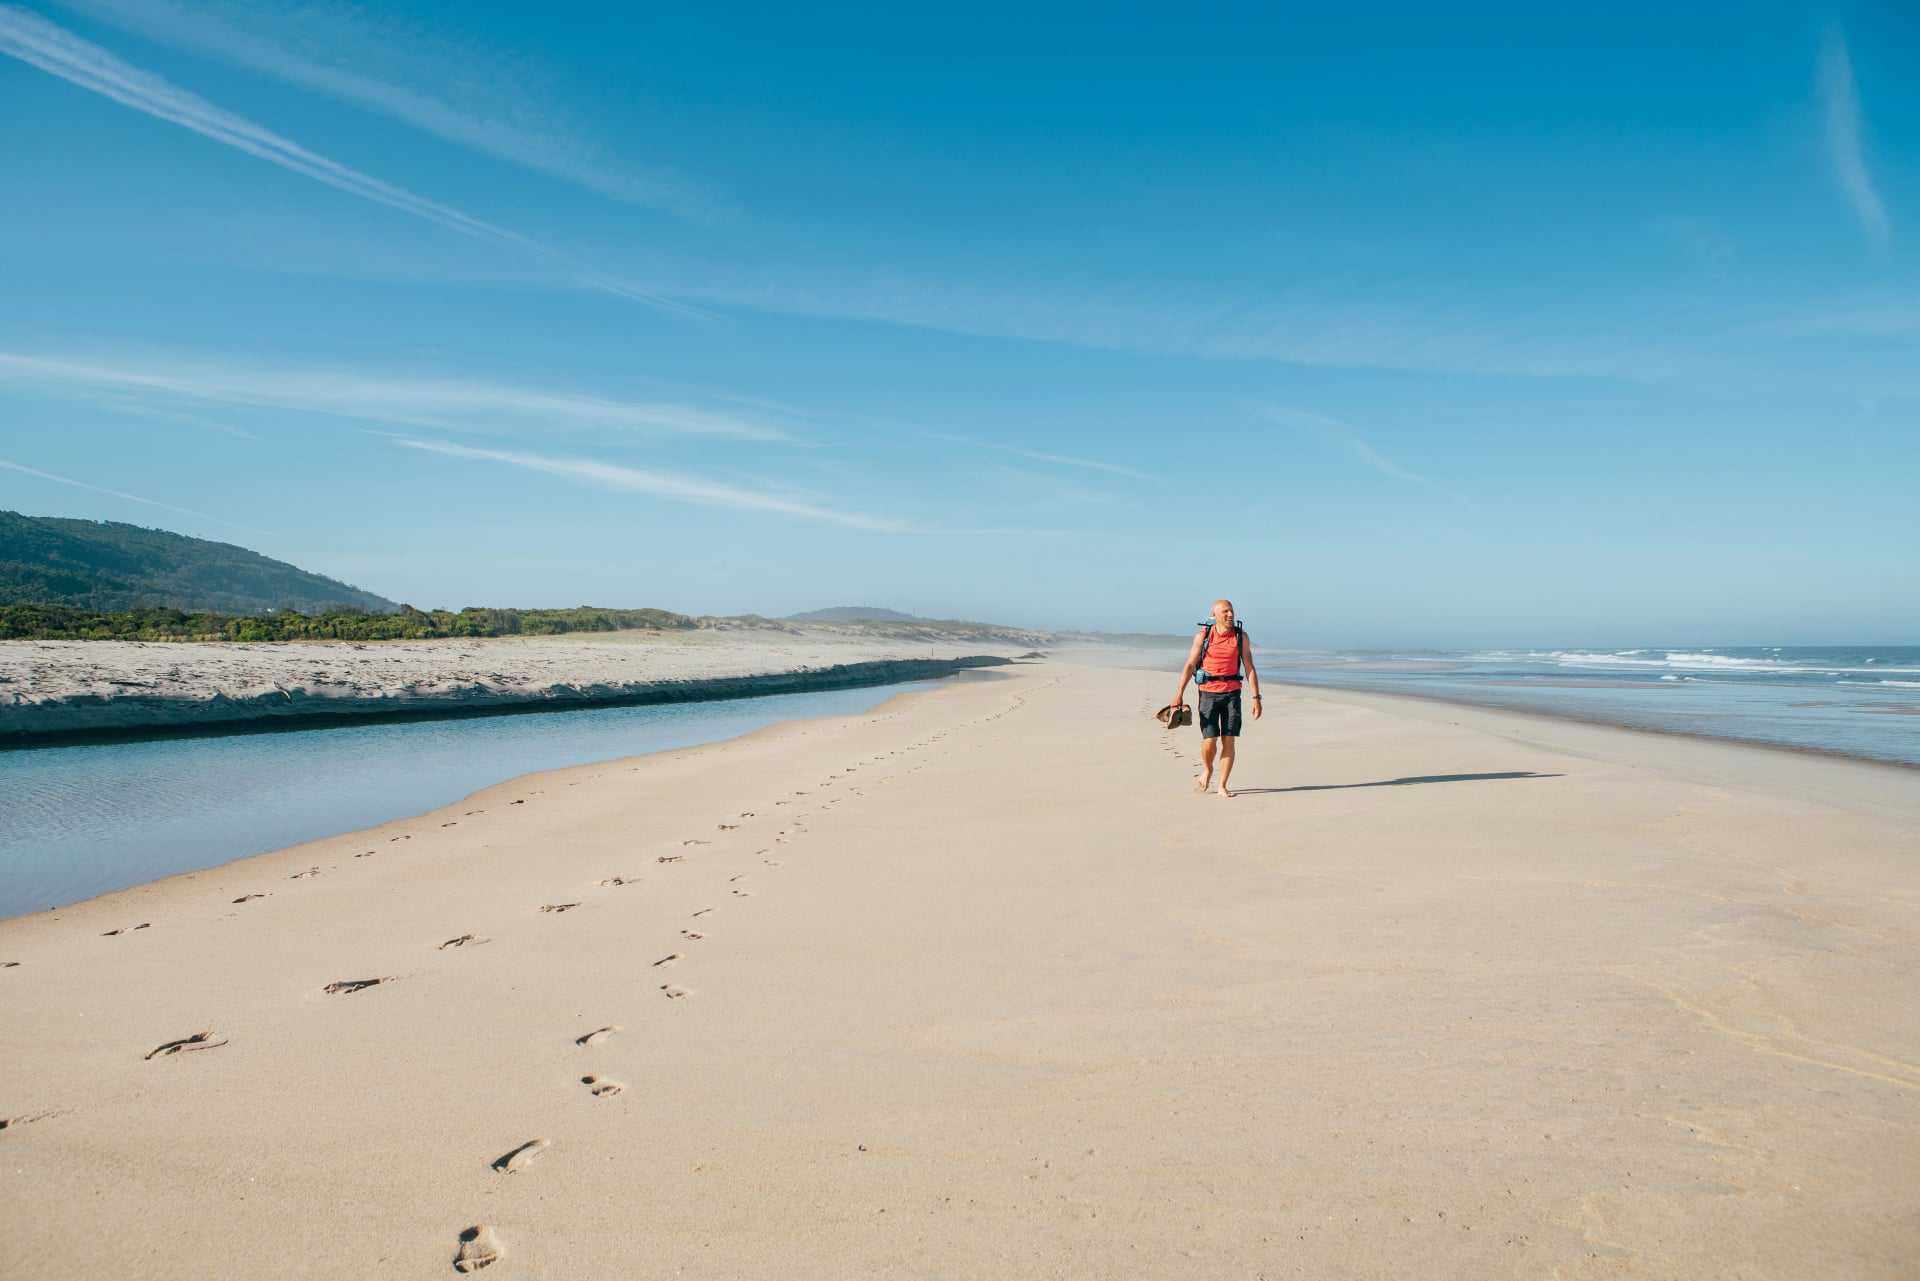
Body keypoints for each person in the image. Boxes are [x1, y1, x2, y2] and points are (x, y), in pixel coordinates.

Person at [1171, 599, 1261, 797]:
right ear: (1214, 614)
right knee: (1209, 740)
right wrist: (1179, 693)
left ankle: (1222, 785)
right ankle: (1208, 769)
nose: (1230, 615)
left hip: (1232, 694)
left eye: (1232, 611)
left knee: (1229, 740)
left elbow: (1249, 667)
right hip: (1208, 694)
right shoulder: (1203, 636)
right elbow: (1189, 665)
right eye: (1225, 611)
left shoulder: (1241, 637)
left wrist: (1256, 697)